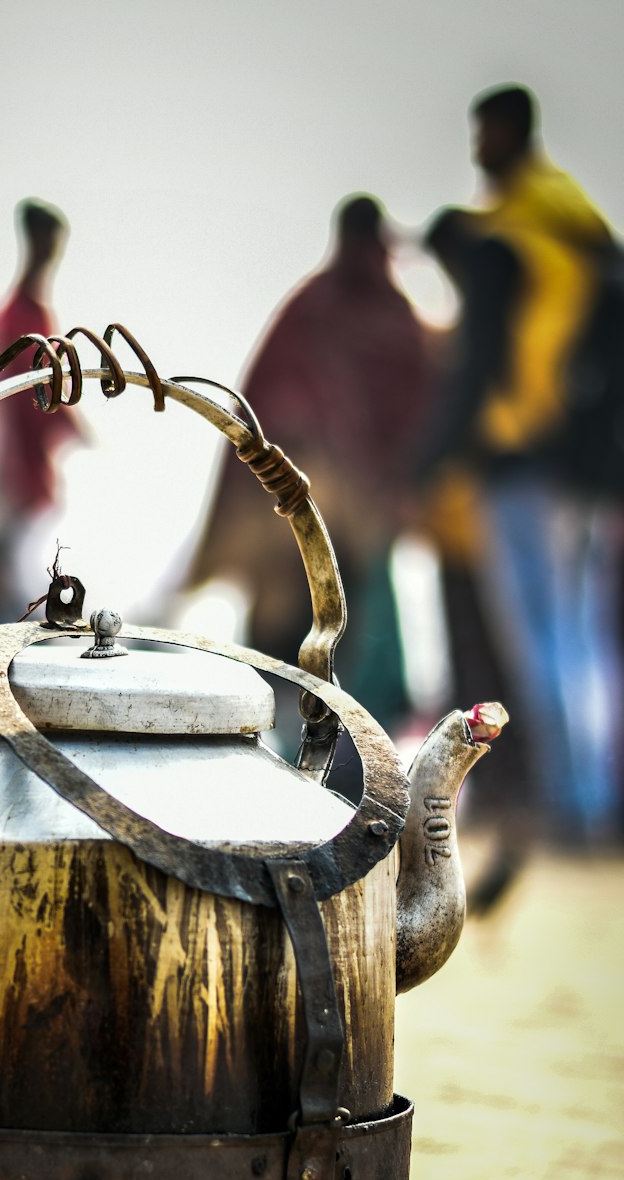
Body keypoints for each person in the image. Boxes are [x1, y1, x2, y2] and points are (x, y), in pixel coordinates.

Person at [416, 85, 622, 844]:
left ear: (507, 132)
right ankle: (595, 799)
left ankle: (573, 807)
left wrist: (428, 464)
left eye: (482, 134)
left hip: (518, 463)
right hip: (586, 467)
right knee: (583, 639)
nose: (475, 148)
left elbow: (477, 371)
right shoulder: (578, 226)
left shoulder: (504, 238)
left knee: (542, 645)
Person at [183, 195, 432, 749]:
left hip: (340, 516)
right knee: (298, 630)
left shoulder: (329, 309)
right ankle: (284, 755)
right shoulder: (352, 312)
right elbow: (264, 407)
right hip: (298, 512)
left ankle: (341, 762)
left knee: (345, 637)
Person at [0, 200, 79, 626]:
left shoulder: (29, 316)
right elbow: (35, 403)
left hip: (21, 483)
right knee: (12, 596)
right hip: (12, 481)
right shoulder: (19, 321)